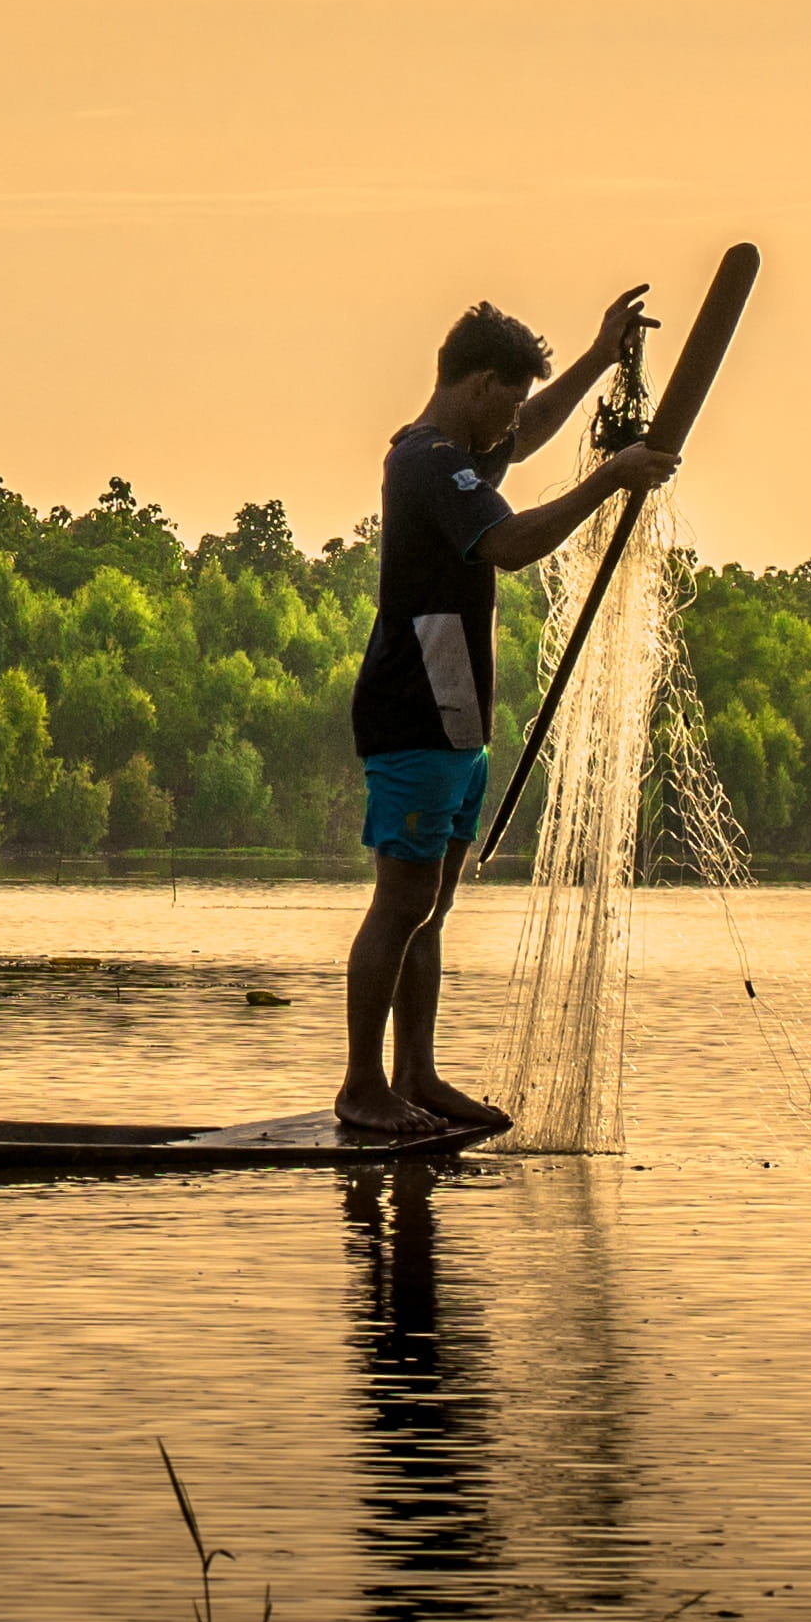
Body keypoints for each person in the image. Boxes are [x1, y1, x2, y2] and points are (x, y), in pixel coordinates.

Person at [338, 290, 675, 1142]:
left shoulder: (462, 454)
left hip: (458, 721)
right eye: (513, 398)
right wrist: (610, 477)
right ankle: (361, 1085)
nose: (518, 420)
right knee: (400, 899)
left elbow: (528, 436)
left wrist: (601, 357)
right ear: (480, 383)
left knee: (432, 905)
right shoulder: (427, 463)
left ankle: (416, 1072)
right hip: (411, 713)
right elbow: (513, 545)